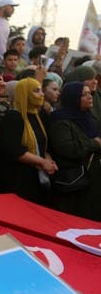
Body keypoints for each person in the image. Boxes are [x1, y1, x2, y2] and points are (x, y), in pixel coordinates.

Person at [0, 77, 57, 204]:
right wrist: (42, 162)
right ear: (24, 94)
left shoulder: (38, 115)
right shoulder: (14, 117)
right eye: (36, 91)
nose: (42, 94)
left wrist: (48, 160)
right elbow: (14, 150)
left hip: (34, 178)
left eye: (41, 90)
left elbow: (42, 144)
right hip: (15, 179)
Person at [48, 82, 101, 221]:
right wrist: (94, 144)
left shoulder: (89, 119)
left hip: (92, 180)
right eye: (84, 94)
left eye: (90, 94)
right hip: (74, 182)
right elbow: (67, 149)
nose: (90, 97)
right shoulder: (60, 121)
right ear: (73, 98)